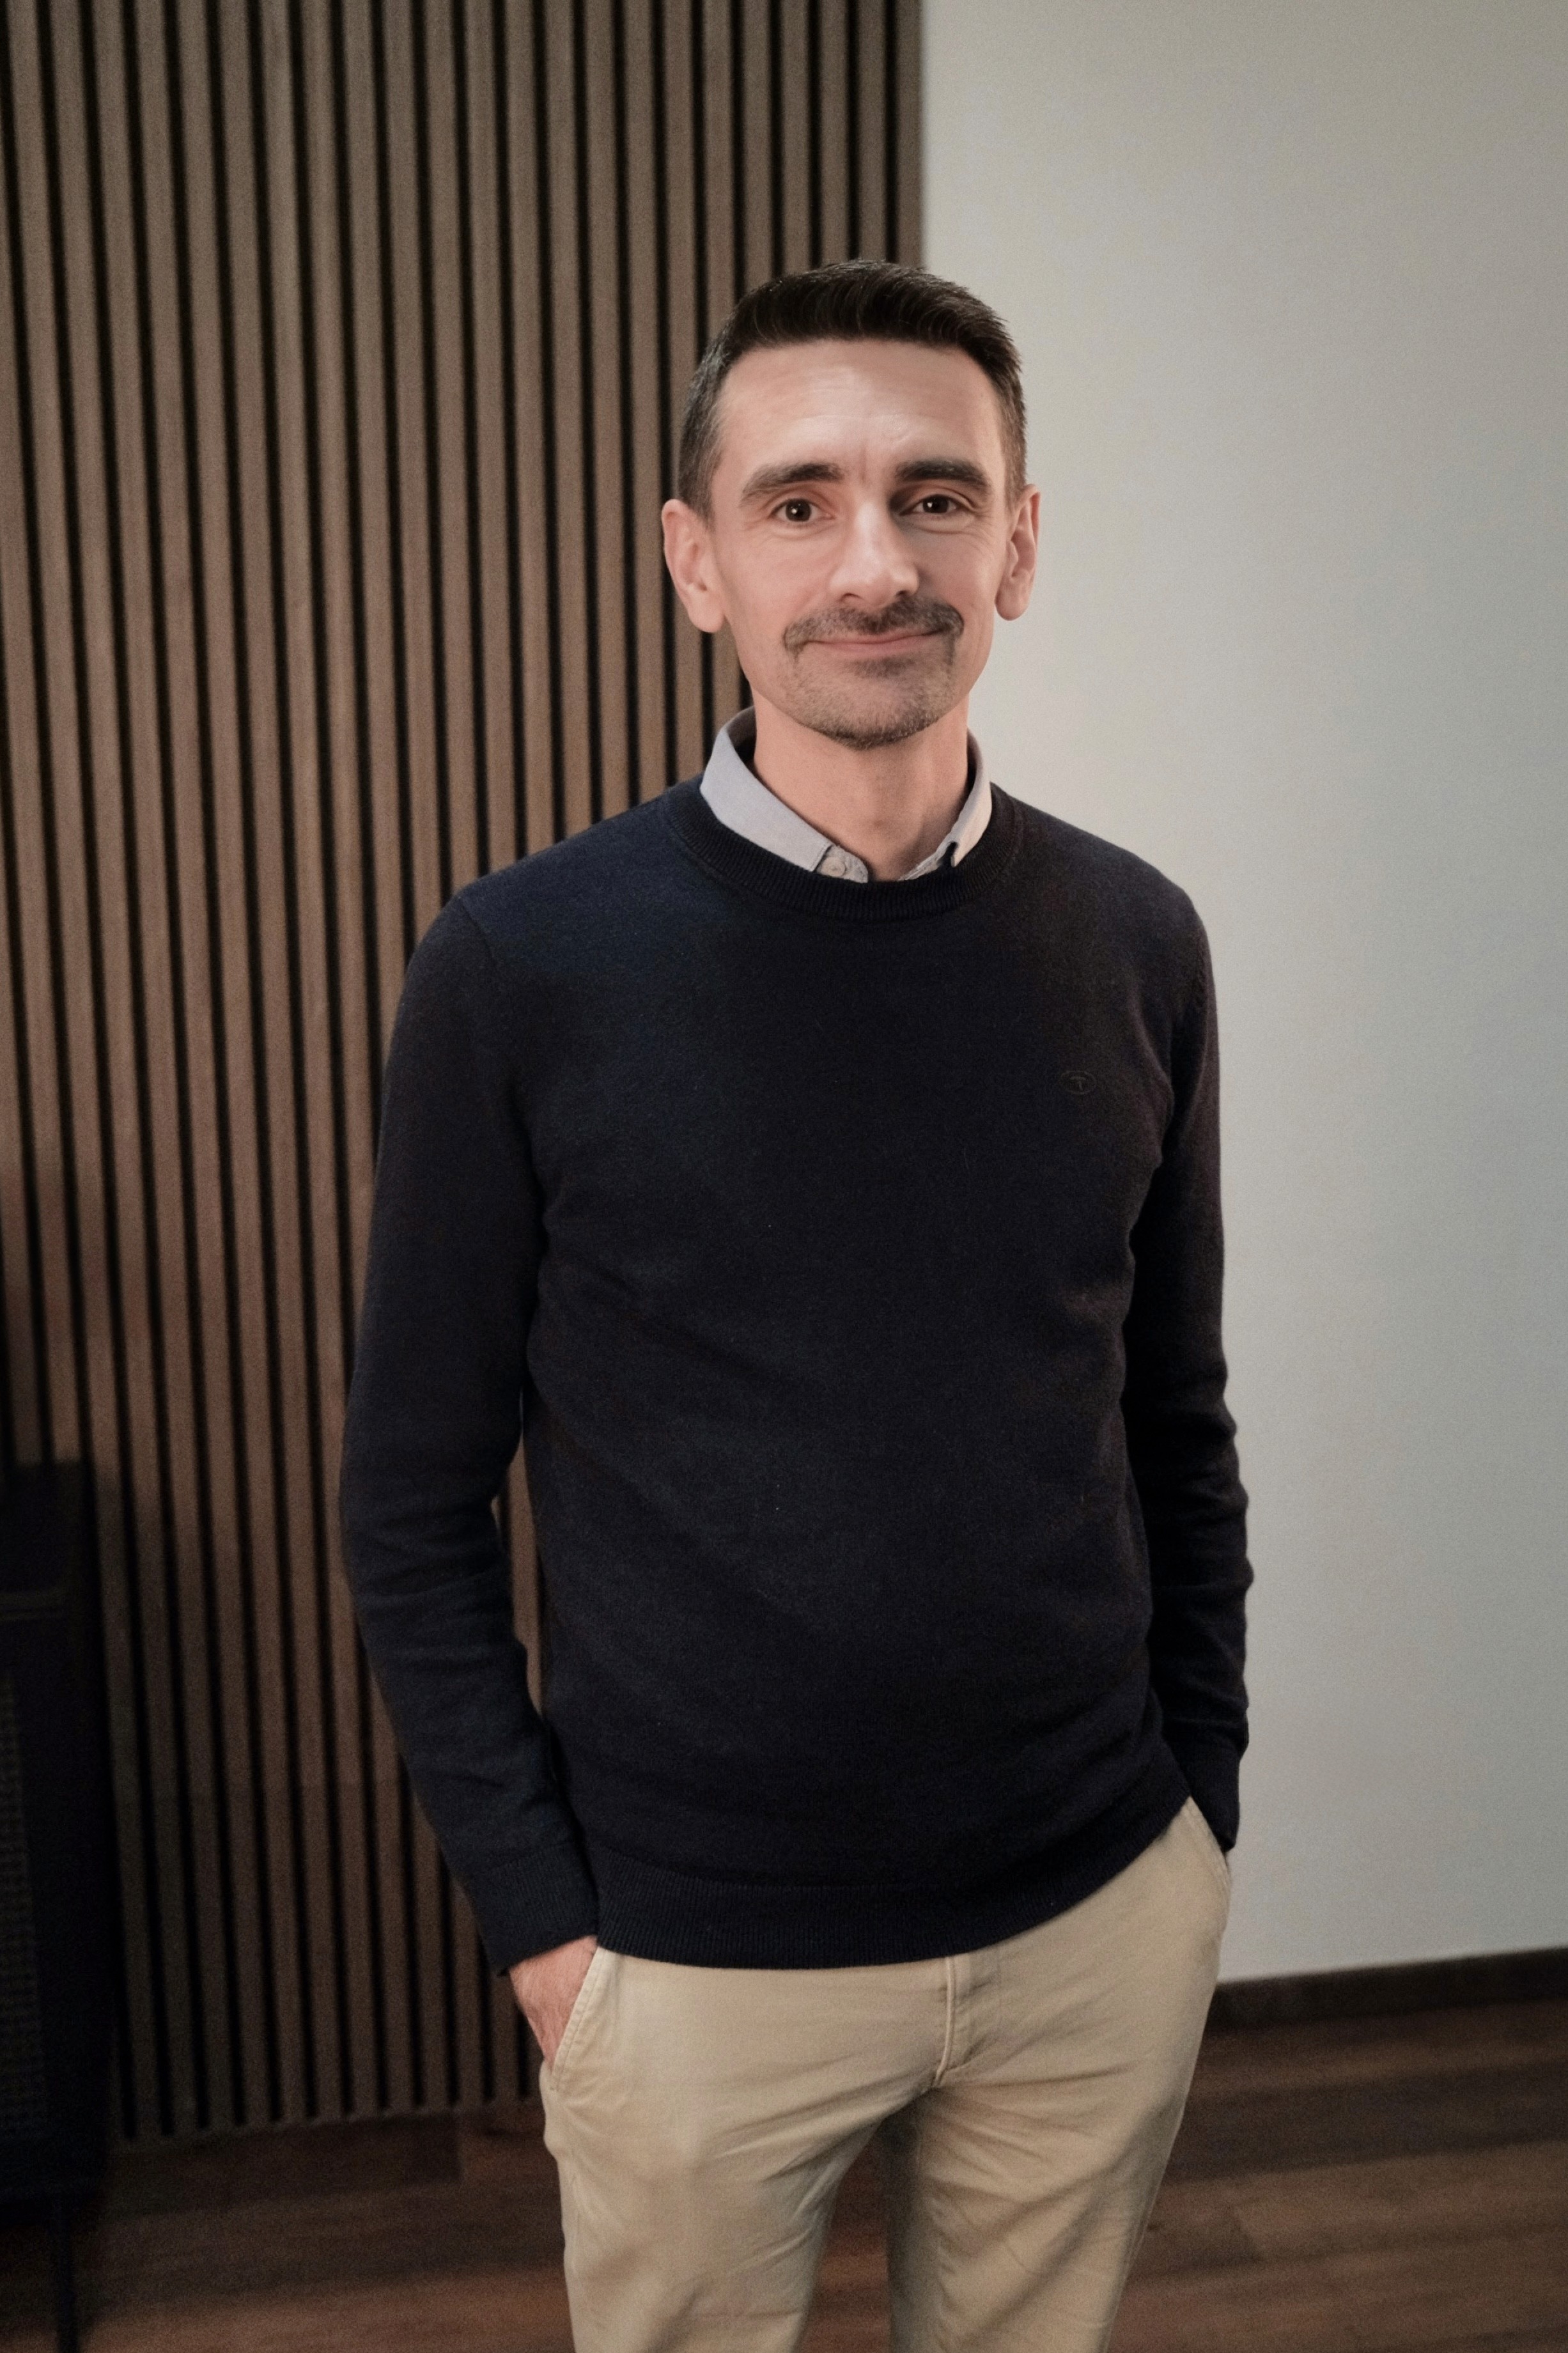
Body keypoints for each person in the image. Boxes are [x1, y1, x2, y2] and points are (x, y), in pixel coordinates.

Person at [341, 258, 1250, 2353]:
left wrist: (1198, 1805)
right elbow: (411, 1494)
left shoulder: (1139, 937)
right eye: (800, 499)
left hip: (1097, 1909)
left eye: (938, 497)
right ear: (696, 562)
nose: (875, 560)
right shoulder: (522, 967)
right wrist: (553, 1929)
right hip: (692, 1957)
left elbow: (1168, 1414)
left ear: (1019, 543)